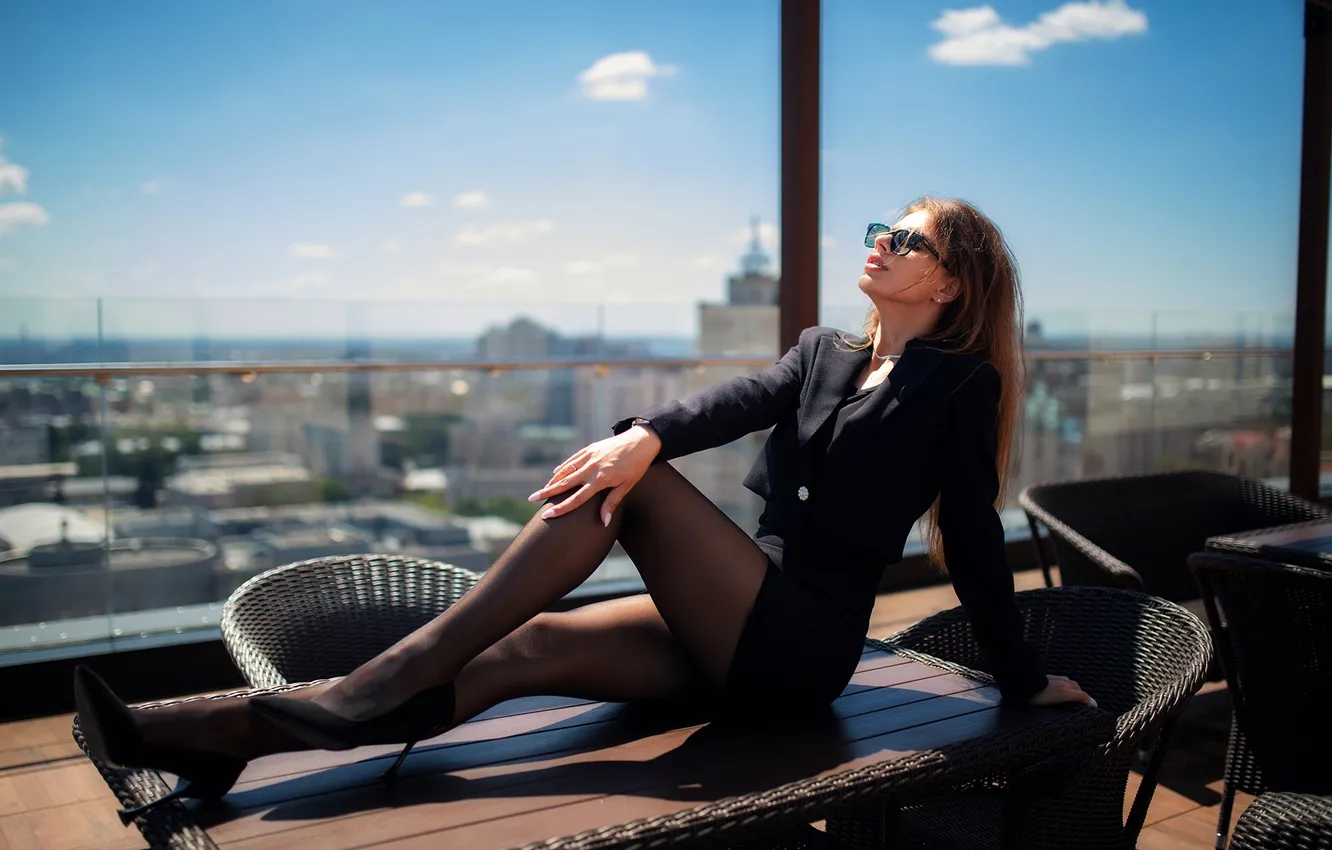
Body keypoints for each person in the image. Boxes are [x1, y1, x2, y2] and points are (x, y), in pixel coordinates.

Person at [74, 196, 1096, 822]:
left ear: (951, 283)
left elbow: (970, 536)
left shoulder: (960, 390)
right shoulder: (824, 350)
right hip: (734, 616)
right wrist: (652, 423)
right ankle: (208, 733)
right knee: (528, 650)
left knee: (634, 478)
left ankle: (374, 683)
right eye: (878, 228)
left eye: (903, 238)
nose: (875, 242)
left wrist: (1019, 676)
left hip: (801, 645)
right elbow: (732, 404)